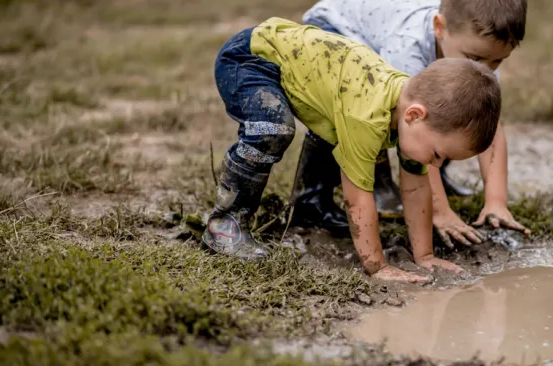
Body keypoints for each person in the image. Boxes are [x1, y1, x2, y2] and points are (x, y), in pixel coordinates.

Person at [205, 17, 502, 283]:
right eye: (438, 154)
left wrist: (423, 257)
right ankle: (225, 222)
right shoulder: (367, 117)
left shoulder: (410, 115)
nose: (437, 163)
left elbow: (415, 189)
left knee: (334, 131)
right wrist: (377, 266)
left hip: (299, 68)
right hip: (252, 58)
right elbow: (358, 198)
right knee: (274, 128)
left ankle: (310, 209)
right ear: (414, 115)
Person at [295, 0, 531, 248]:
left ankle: (437, 178)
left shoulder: (481, 59)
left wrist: (496, 202)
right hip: (337, 29)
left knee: (459, 111)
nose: (485, 69)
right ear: (440, 27)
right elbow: (418, 131)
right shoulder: (408, 47)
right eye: (475, 58)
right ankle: (327, 195)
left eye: (497, 62)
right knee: (364, 111)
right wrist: (438, 211)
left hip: (382, 30)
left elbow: (490, 129)